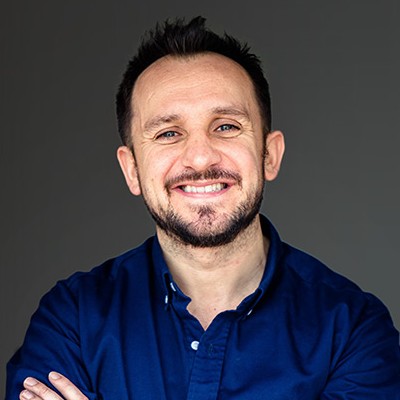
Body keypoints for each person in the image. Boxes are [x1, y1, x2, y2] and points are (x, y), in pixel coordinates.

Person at [7, 16, 400, 400]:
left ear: (270, 154)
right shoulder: (72, 319)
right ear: (132, 170)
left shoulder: (354, 330)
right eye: (168, 133)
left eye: (226, 126)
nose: (199, 157)